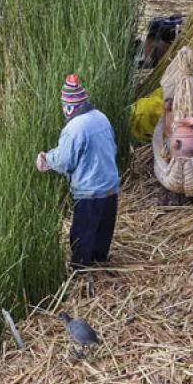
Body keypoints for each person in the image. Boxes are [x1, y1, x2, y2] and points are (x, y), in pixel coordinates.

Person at [36, 74, 120, 271]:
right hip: (110, 186)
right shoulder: (102, 117)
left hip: (89, 191)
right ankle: (100, 263)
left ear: (68, 106)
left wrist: (46, 159)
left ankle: (80, 271)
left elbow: (65, 160)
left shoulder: (75, 128)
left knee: (83, 234)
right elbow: (113, 148)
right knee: (103, 230)